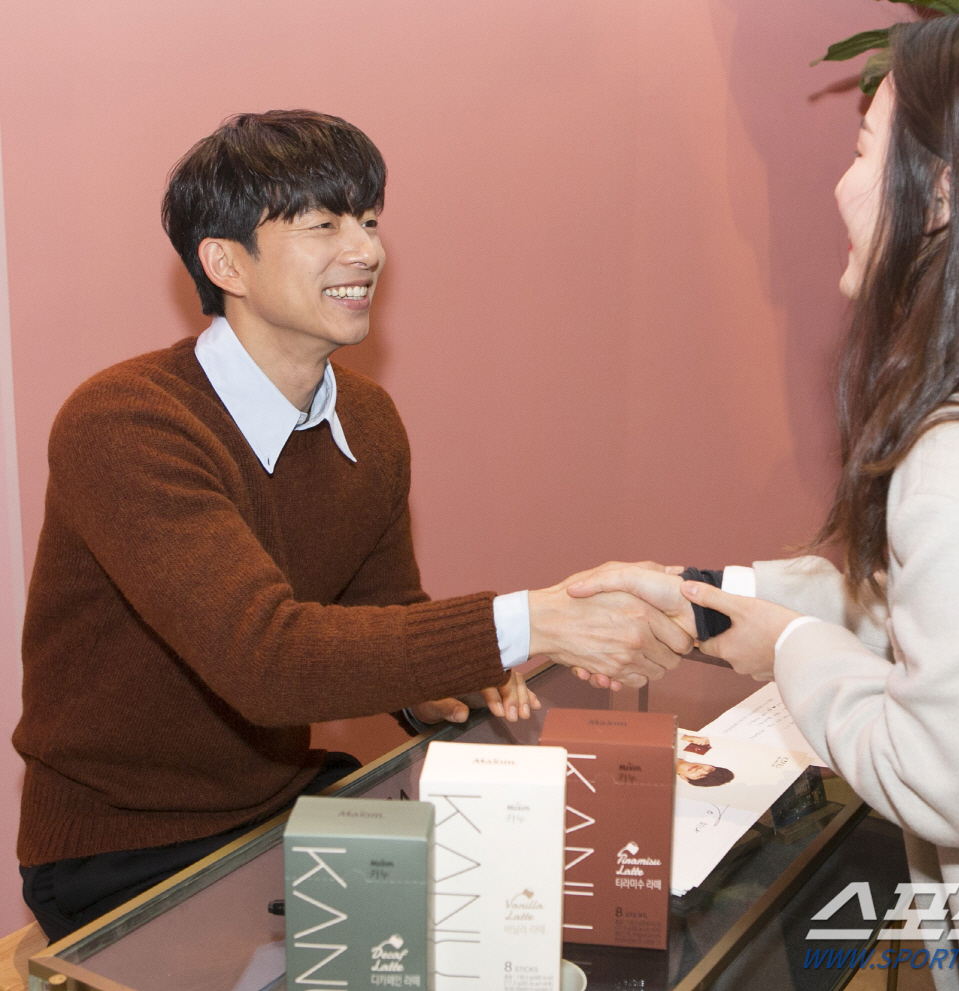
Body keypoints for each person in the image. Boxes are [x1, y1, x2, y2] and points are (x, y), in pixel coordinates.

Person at [569, 9, 959, 988]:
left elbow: (946, 781)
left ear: (939, 191)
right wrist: (706, 592)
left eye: (864, 150)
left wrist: (789, 649)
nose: (841, 184)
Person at [12, 110, 692, 942]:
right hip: (125, 847)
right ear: (225, 262)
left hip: (284, 801)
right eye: (323, 224)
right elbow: (267, 660)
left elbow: (384, 614)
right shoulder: (125, 422)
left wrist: (436, 686)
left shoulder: (367, 420)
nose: (366, 249)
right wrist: (533, 620)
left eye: (369, 220)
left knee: (524, 917)